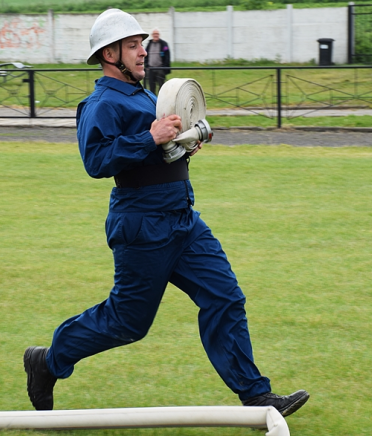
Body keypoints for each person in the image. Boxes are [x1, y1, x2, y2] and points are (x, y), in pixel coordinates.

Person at [23, 9, 308, 417]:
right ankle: (47, 361)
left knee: (225, 298)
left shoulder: (143, 94)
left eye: (142, 44)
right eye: (134, 45)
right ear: (110, 54)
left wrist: (184, 144)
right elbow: (96, 160)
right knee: (127, 322)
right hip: (142, 224)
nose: (143, 52)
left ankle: (257, 397)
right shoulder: (100, 103)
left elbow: (161, 149)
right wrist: (150, 137)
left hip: (183, 219)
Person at [144, 28, 171, 95]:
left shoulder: (164, 44)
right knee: (151, 86)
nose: (156, 35)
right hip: (151, 69)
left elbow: (167, 56)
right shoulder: (149, 44)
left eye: (157, 34)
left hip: (160, 69)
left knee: (161, 86)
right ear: (152, 35)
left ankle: (161, 100)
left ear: (159, 35)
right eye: (154, 34)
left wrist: (164, 67)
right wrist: (146, 65)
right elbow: (145, 55)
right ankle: (153, 100)